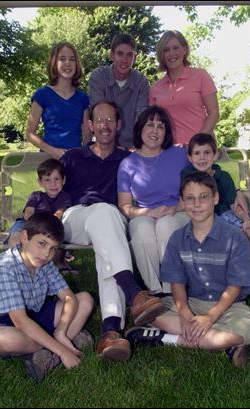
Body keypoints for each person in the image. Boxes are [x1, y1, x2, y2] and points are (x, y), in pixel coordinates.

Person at [59, 100, 166, 362]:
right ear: (90, 124)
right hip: (76, 218)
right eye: (99, 120)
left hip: (111, 223)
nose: (105, 125)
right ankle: (133, 294)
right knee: (104, 213)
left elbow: (154, 179)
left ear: (118, 125)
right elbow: (51, 193)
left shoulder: (127, 159)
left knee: (107, 232)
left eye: (110, 120)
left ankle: (111, 332)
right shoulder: (72, 157)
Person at [125, 172, 250, 368]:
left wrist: (210, 317)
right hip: (191, 301)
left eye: (203, 197)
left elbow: (235, 286)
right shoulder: (177, 239)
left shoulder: (235, 238)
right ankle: (221, 344)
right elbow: (177, 282)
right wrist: (185, 313)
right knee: (149, 311)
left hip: (229, 306)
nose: (196, 204)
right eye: (190, 198)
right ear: (182, 202)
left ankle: (164, 337)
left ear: (216, 198)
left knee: (246, 329)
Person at [0, 212, 94, 382]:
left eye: (53, 248)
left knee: (85, 300)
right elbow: (20, 322)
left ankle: (49, 350)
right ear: (24, 237)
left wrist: (61, 329)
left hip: (35, 313)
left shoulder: (43, 262)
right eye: (42, 243)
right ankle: (61, 347)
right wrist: (63, 352)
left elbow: (69, 298)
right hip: (2, 322)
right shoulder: (2, 268)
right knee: (6, 340)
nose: (46, 254)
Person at [117, 105, 190, 295]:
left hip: (180, 211)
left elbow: (200, 182)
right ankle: (154, 289)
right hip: (145, 213)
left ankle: (172, 289)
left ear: (166, 132)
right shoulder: (128, 164)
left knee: (165, 225)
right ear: (140, 128)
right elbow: (124, 205)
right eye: (150, 125)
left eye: (161, 126)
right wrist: (149, 212)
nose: (155, 131)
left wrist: (176, 207)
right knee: (141, 230)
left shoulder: (180, 155)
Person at [182, 133, 250, 256]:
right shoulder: (188, 176)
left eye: (207, 153)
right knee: (222, 240)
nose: (202, 157)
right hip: (203, 217)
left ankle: (242, 271)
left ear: (215, 155)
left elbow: (233, 204)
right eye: (197, 153)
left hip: (227, 216)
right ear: (189, 157)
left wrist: (245, 218)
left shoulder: (224, 176)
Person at [149, 30, 219, 146]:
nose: (171, 53)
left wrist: (197, 143)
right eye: (166, 50)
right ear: (161, 55)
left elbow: (214, 113)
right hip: (168, 152)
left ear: (184, 50)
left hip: (199, 152)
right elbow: (152, 123)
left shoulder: (201, 76)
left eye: (176, 48)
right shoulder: (155, 88)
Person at [26, 42, 91, 160]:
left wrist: (83, 157)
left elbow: (87, 135)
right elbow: (30, 134)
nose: (68, 63)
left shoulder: (83, 98)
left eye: (72, 59)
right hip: (49, 163)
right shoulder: (42, 95)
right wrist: (53, 151)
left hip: (75, 161)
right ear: (54, 64)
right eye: (62, 59)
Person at [89, 33, 149, 149]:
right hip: (102, 145)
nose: (124, 60)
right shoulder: (98, 77)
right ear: (111, 55)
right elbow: (100, 116)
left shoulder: (141, 81)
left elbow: (141, 118)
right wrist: (113, 149)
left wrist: (134, 148)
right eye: (120, 54)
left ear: (134, 58)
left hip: (132, 148)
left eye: (129, 55)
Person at [8, 158, 72, 248]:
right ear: (40, 182)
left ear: (63, 180)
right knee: (16, 239)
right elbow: (28, 214)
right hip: (26, 223)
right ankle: (11, 259)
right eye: (47, 180)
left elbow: (58, 215)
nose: (53, 184)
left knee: (50, 238)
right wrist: (36, 228)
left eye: (57, 179)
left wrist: (42, 230)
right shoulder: (36, 196)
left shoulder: (65, 198)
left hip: (50, 227)